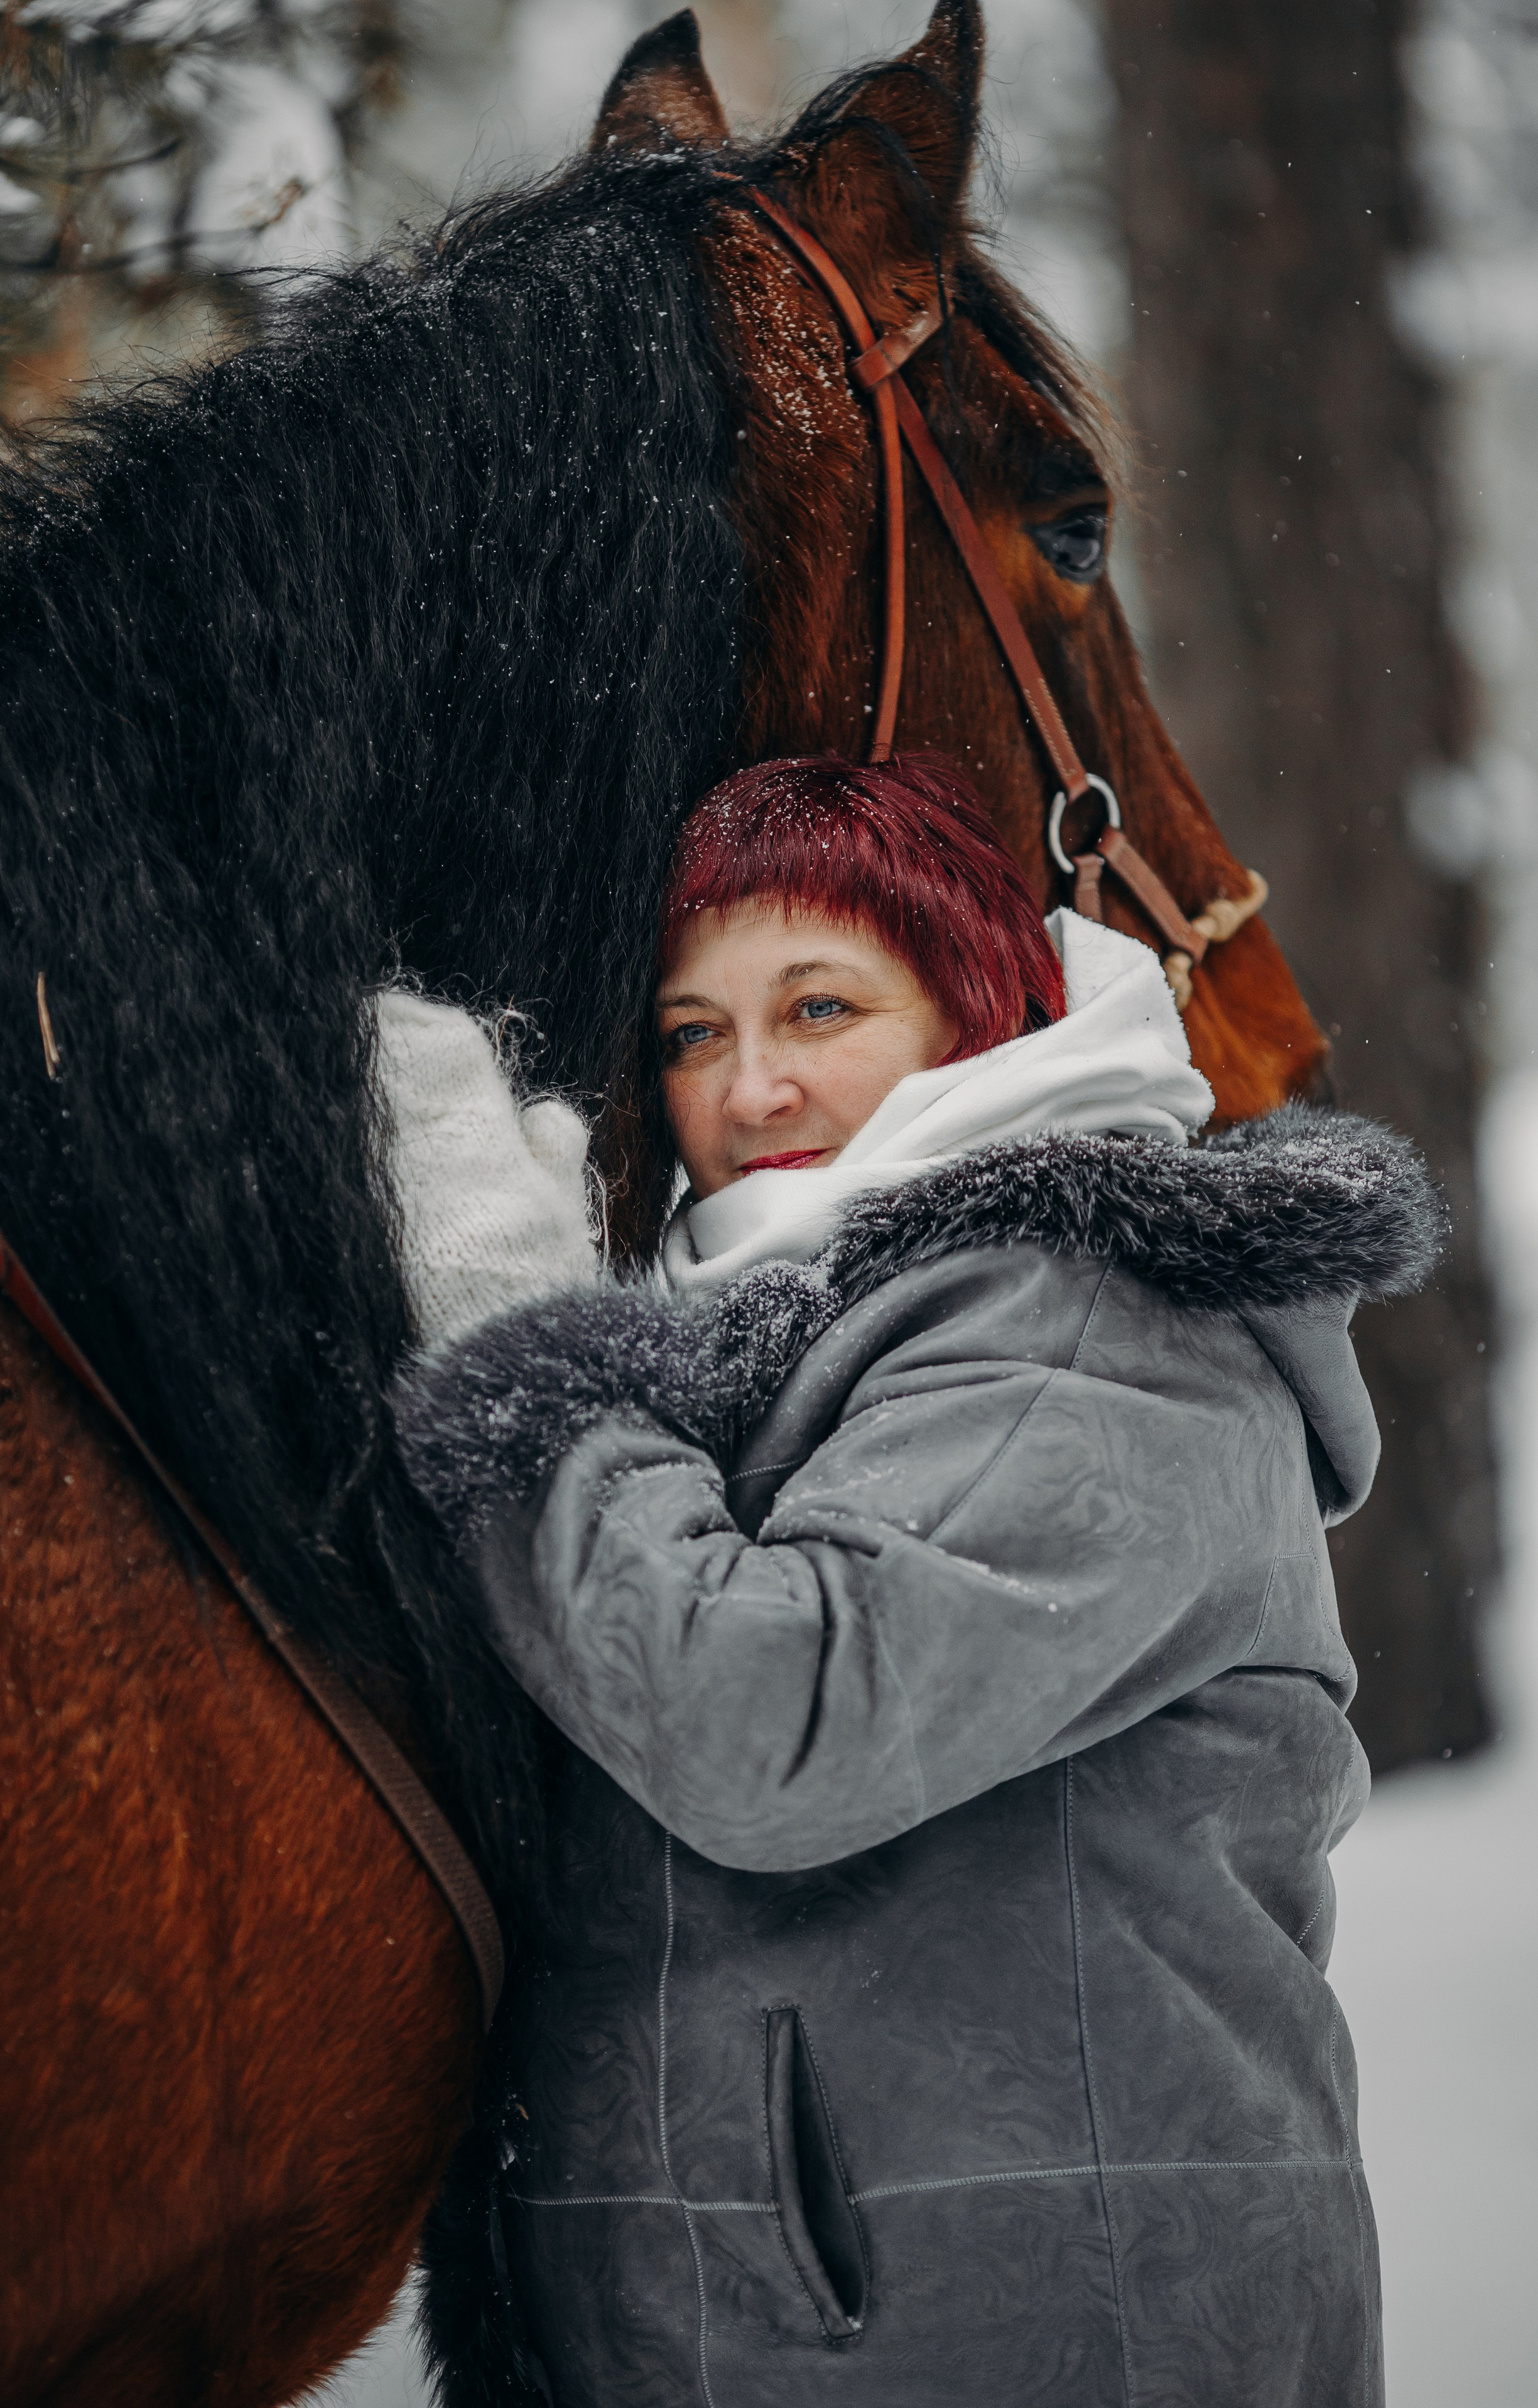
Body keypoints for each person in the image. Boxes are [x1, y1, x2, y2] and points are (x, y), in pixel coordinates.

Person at [394, 754, 1440, 2408]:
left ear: (978, 1016)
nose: (748, 1094)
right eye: (692, 1033)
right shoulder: (759, 1339)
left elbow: (769, 1722)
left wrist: (521, 1346)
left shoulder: (1095, 1321)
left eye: (819, 1008)